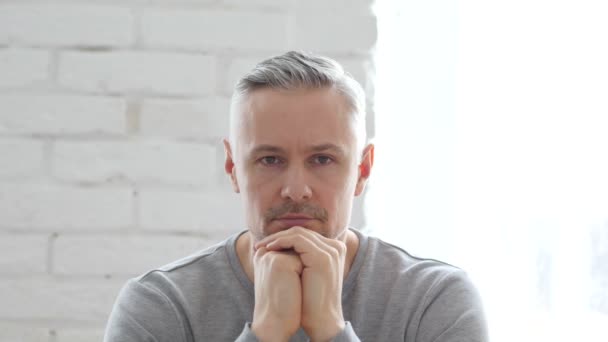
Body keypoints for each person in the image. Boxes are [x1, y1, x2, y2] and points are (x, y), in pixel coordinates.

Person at [104, 51, 488, 342]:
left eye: (322, 159)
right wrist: (266, 331)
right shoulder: (160, 306)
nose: (295, 189)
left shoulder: (434, 300)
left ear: (363, 170)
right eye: (270, 159)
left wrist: (331, 328)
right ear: (233, 167)